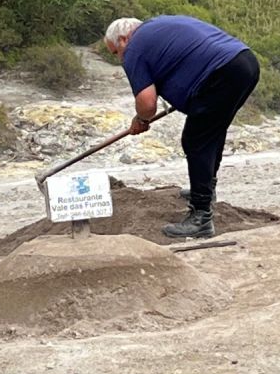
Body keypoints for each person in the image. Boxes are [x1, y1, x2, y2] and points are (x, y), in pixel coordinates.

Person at [105, 15, 261, 240]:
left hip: (221, 73)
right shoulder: (158, 27)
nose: (119, 58)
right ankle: (206, 191)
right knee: (211, 133)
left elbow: (147, 103)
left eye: (115, 52)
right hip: (245, 62)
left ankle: (201, 217)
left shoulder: (134, 49)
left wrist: (141, 119)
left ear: (122, 39)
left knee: (196, 140)